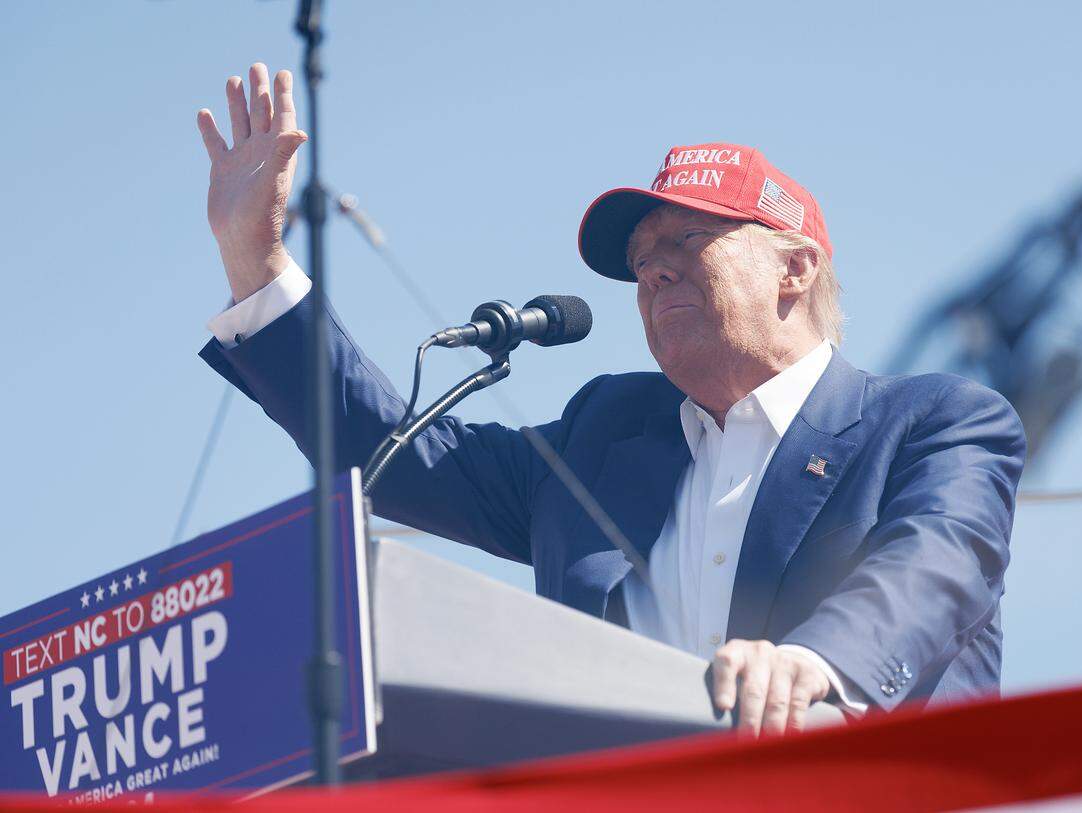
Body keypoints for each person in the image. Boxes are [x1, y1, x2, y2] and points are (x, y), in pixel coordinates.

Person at [195, 64, 1026, 737]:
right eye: (641, 259)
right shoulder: (600, 434)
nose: (654, 269)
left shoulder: (937, 423)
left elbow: (936, 562)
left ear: (795, 268)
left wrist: (818, 664)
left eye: (687, 241)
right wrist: (254, 261)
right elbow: (391, 454)